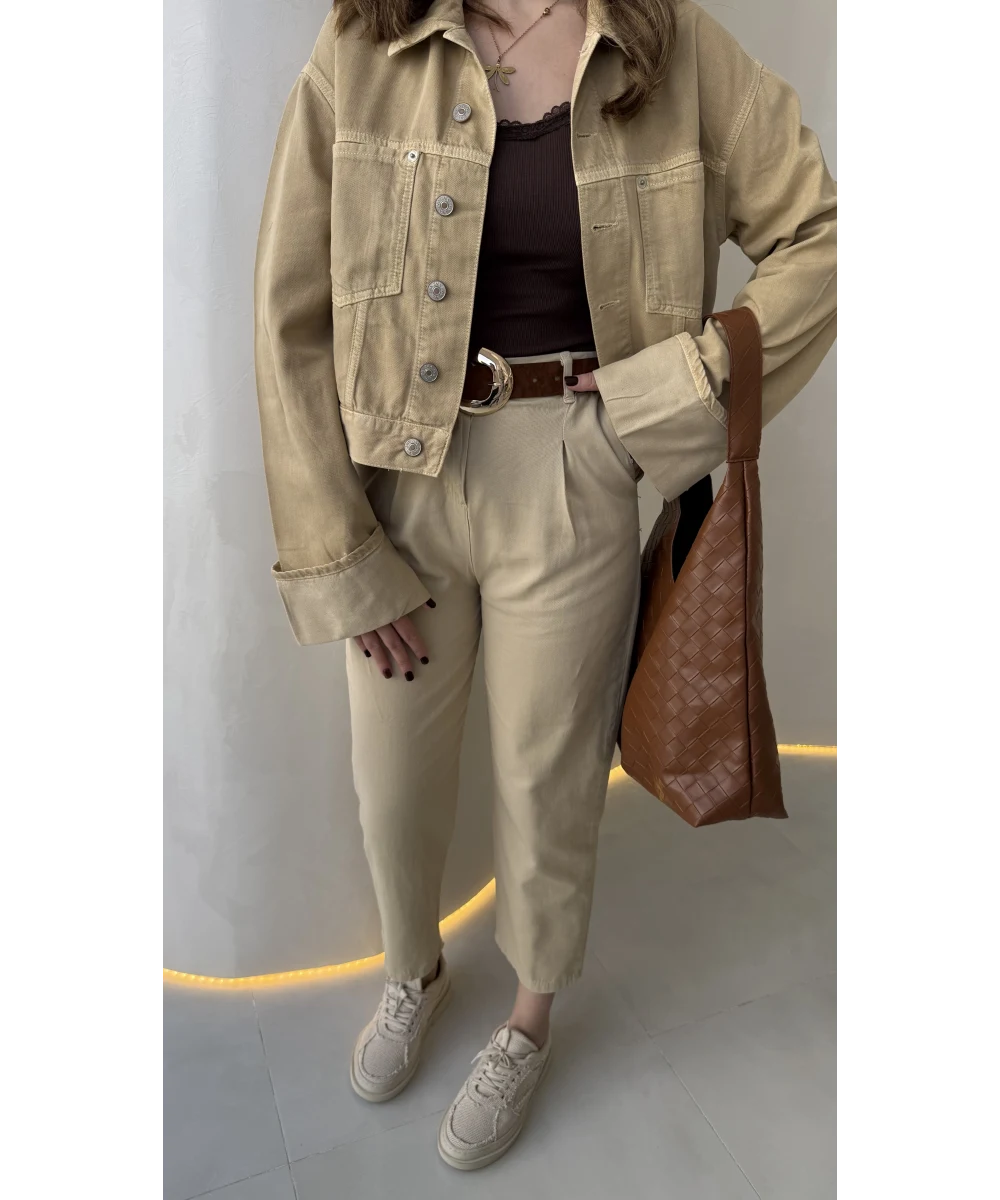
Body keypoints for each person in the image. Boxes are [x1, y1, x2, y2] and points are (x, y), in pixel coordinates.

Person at [253, 0, 838, 1171]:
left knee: (547, 778)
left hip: (573, 463)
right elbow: (290, 315)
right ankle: (413, 969)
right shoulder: (363, 44)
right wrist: (339, 546)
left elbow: (819, 236)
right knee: (392, 782)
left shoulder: (669, 42)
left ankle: (527, 1018)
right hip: (401, 473)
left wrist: (665, 400)